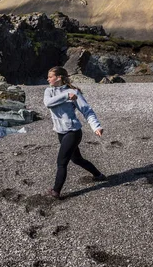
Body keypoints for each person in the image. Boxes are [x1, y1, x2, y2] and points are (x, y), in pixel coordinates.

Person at [44, 66, 107, 198]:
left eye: (50, 76)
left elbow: (87, 111)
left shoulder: (75, 93)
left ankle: (56, 191)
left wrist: (96, 127)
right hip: (60, 132)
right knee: (77, 159)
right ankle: (98, 175)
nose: (48, 79)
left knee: (61, 162)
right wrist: (66, 95)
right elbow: (48, 103)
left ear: (59, 77)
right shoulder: (49, 91)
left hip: (73, 132)